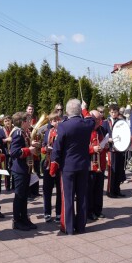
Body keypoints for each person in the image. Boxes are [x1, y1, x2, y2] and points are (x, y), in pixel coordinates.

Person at [49, 99, 96, 235]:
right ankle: (81, 226)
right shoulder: (87, 123)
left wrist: (53, 166)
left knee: (67, 198)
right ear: (79, 111)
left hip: (68, 167)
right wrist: (85, 109)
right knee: (81, 197)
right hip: (83, 165)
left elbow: (57, 149)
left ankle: (68, 228)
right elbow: (91, 120)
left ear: (68, 111)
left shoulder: (64, 126)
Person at [9, 111, 39, 231]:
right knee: (19, 196)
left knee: (24, 196)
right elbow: (14, 152)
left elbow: (23, 145)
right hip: (19, 169)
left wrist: (31, 144)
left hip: (24, 168)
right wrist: (28, 150)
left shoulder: (22, 132)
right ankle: (17, 221)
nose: (30, 122)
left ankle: (24, 218)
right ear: (22, 122)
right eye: (27, 120)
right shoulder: (17, 133)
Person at [102, 104, 126, 198]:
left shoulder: (121, 121)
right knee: (113, 171)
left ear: (118, 112)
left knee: (119, 170)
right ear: (109, 112)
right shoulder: (106, 122)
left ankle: (117, 190)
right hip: (111, 149)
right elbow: (102, 135)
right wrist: (108, 140)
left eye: (115, 112)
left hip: (120, 149)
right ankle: (110, 191)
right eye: (111, 112)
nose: (113, 114)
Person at [41, 112, 61, 223]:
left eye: (57, 120)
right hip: (48, 164)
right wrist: (45, 149)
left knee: (59, 190)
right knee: (47, 190)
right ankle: (47, 213)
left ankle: (58, 213)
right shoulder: (48, 132)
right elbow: (43, 146)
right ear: (51, 122)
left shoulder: (62, 131)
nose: (56, 122)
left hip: (58, 164)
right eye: (54, 120)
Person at [87, 110, 108, 220]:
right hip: (90, 165)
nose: (99, 122)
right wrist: (92, 149)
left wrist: (106, 145)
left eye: (100, 119)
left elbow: (105, 144)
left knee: (99, 190)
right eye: (96, 120)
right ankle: (89, 212)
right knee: (89, 190)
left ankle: (98, 210)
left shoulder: (102, 130)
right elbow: (80, 148)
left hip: (101, 164)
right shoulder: (85, 131)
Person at [0, 116, 13, 191]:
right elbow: (0, 140)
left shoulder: (14, 129)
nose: (7, 122)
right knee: (7, 168)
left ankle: (14, 184)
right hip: (6, 151)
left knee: (14, 168)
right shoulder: (1, 130)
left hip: (13, 151)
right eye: (5, 121)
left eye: (8, 120)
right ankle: (7, 185)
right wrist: (6, 140)